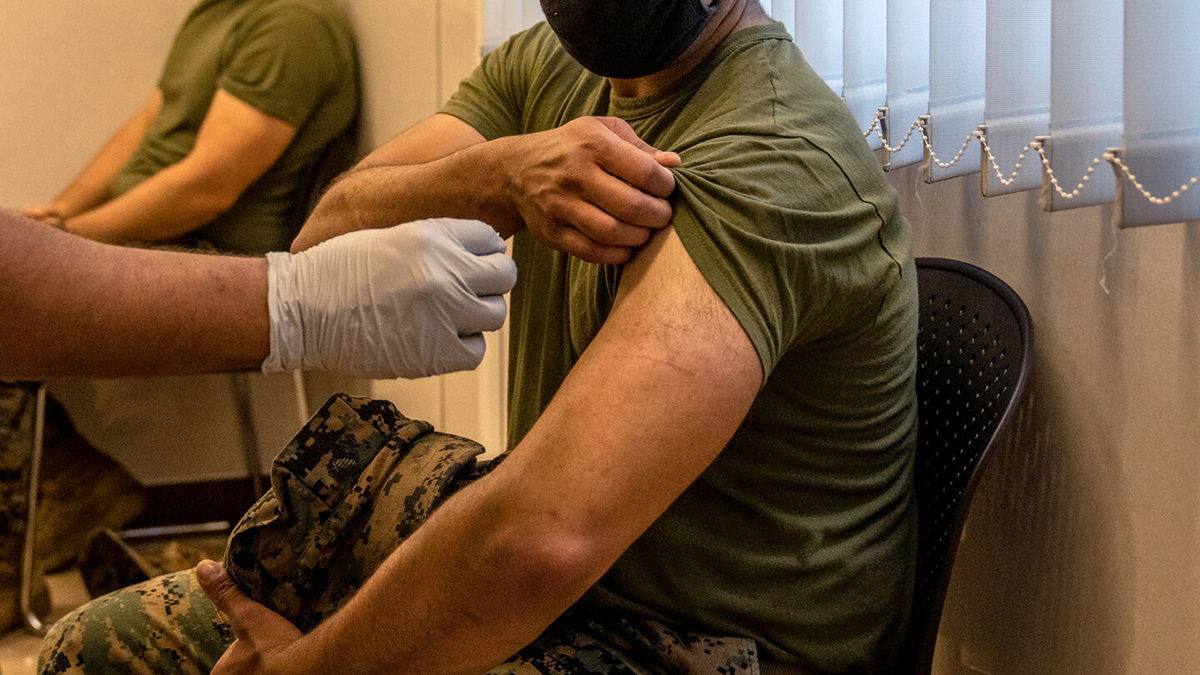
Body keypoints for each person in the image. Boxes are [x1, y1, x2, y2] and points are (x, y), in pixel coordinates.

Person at [42, 0, 919, 672]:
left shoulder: (770, 154)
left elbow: (541, 537)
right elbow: (328, 235)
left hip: (708, 642)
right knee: (92, 648)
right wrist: (497, 176)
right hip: (570, 594)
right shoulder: (549, 71)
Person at [22, 0, 359, 254]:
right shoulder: (216, 9)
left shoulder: (292, 25)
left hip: (202, 256)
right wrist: (60, 214)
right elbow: (146, 123)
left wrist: (66, 241)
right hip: (142, 243)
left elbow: (205, 191)